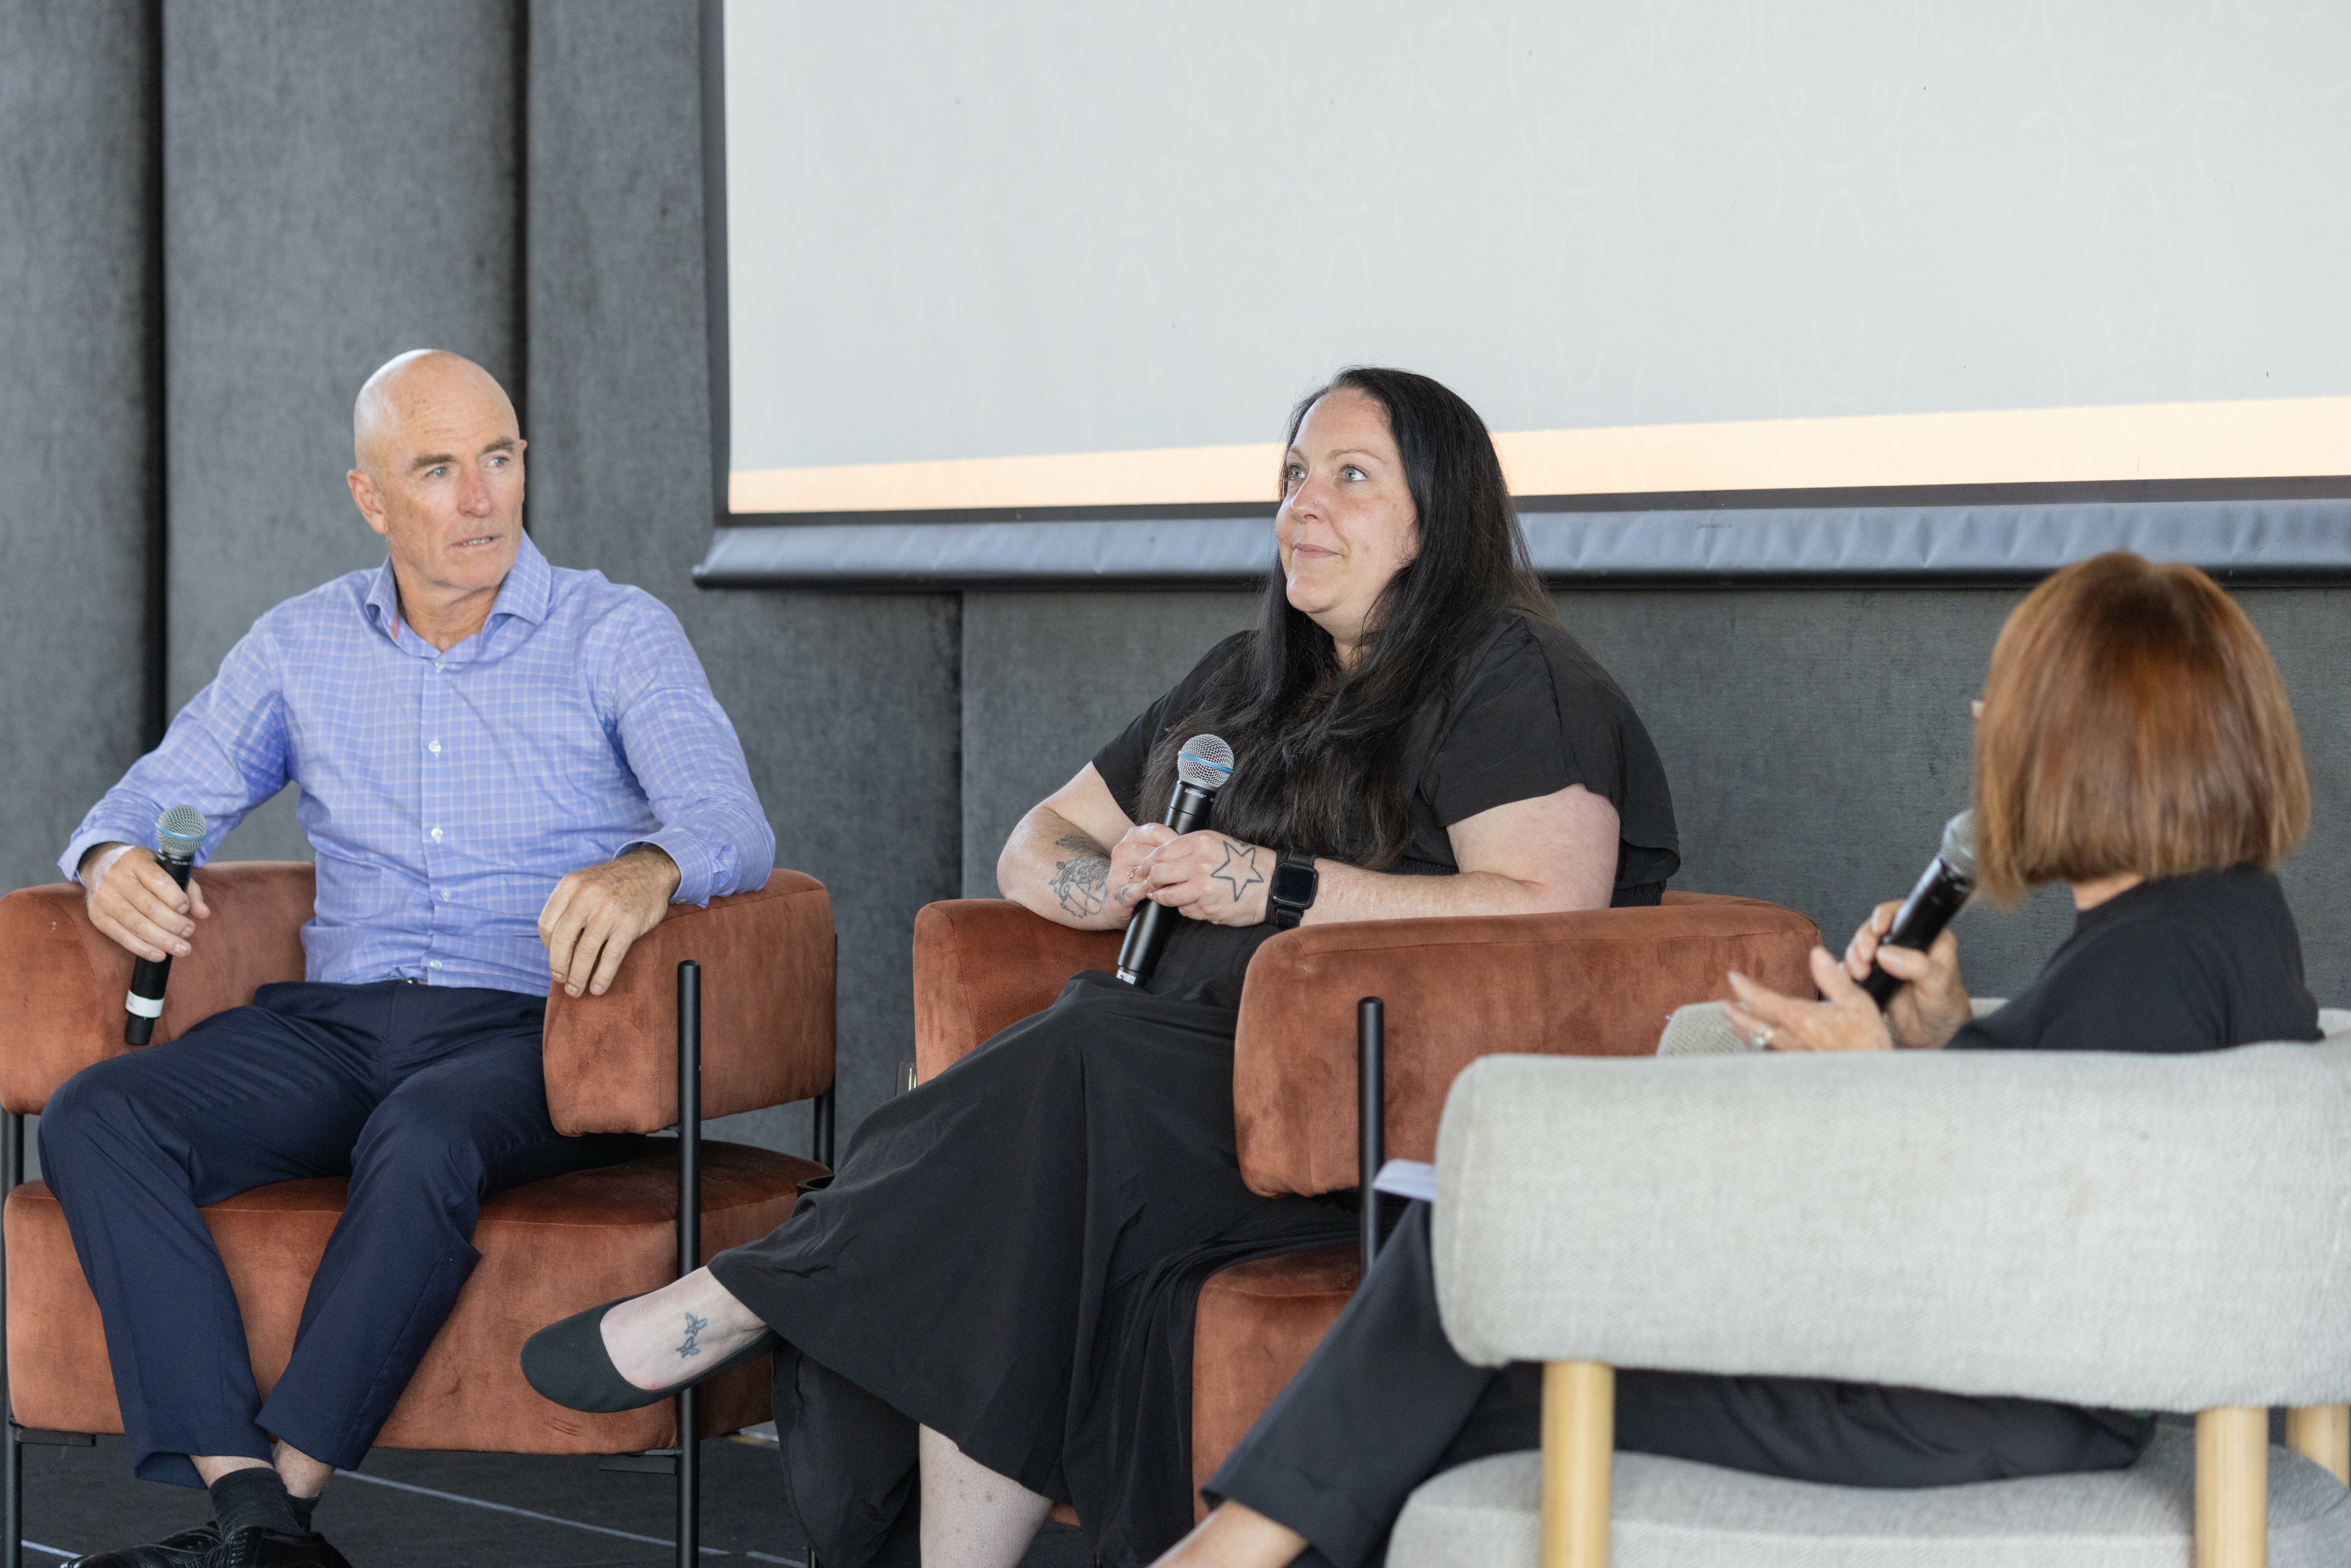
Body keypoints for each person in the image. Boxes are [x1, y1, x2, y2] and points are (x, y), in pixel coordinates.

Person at [521, 367, 1680, 1567]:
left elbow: (1549, 907)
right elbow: (1036, 843)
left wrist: (1269, 887)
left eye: (1349, 479)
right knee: (1027, 1176)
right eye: (1292, 477)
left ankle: (753, 1291)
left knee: (1075, 1052)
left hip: (1366, 1121)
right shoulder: (1250, 675)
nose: (1304, 507)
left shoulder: (1508, 673)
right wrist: (1113, 880)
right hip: (1159, 1101)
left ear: (1441, 517)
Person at [1158, 549, 2321, 1568]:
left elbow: (2053, 1242)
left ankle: (1230, 1547)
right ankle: (1241, 1544)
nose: (1982, 726)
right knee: (1478, 1289)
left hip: (1973, 1405)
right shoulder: (2210, 923)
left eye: (2008, 707)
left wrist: (1874, 1077)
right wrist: (1943, 1040)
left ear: (2079, 745)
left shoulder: (2154, 957)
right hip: (1992, 1385)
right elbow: (2099, 1160)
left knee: (1486, 1302)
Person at [45, 351, 775, 1568]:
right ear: (372, 500)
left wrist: (647, 869)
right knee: (98, 1115)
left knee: (427, 1133)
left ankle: (279, 1506)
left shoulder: (615, 632)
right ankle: (250, 1510)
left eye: (499, 459)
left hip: (532, 1030)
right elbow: (160, 799)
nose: (482, 496)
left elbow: (730, 823)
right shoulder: (301, 646)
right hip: (338, 1023)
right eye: (439, 470)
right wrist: (111, 856)